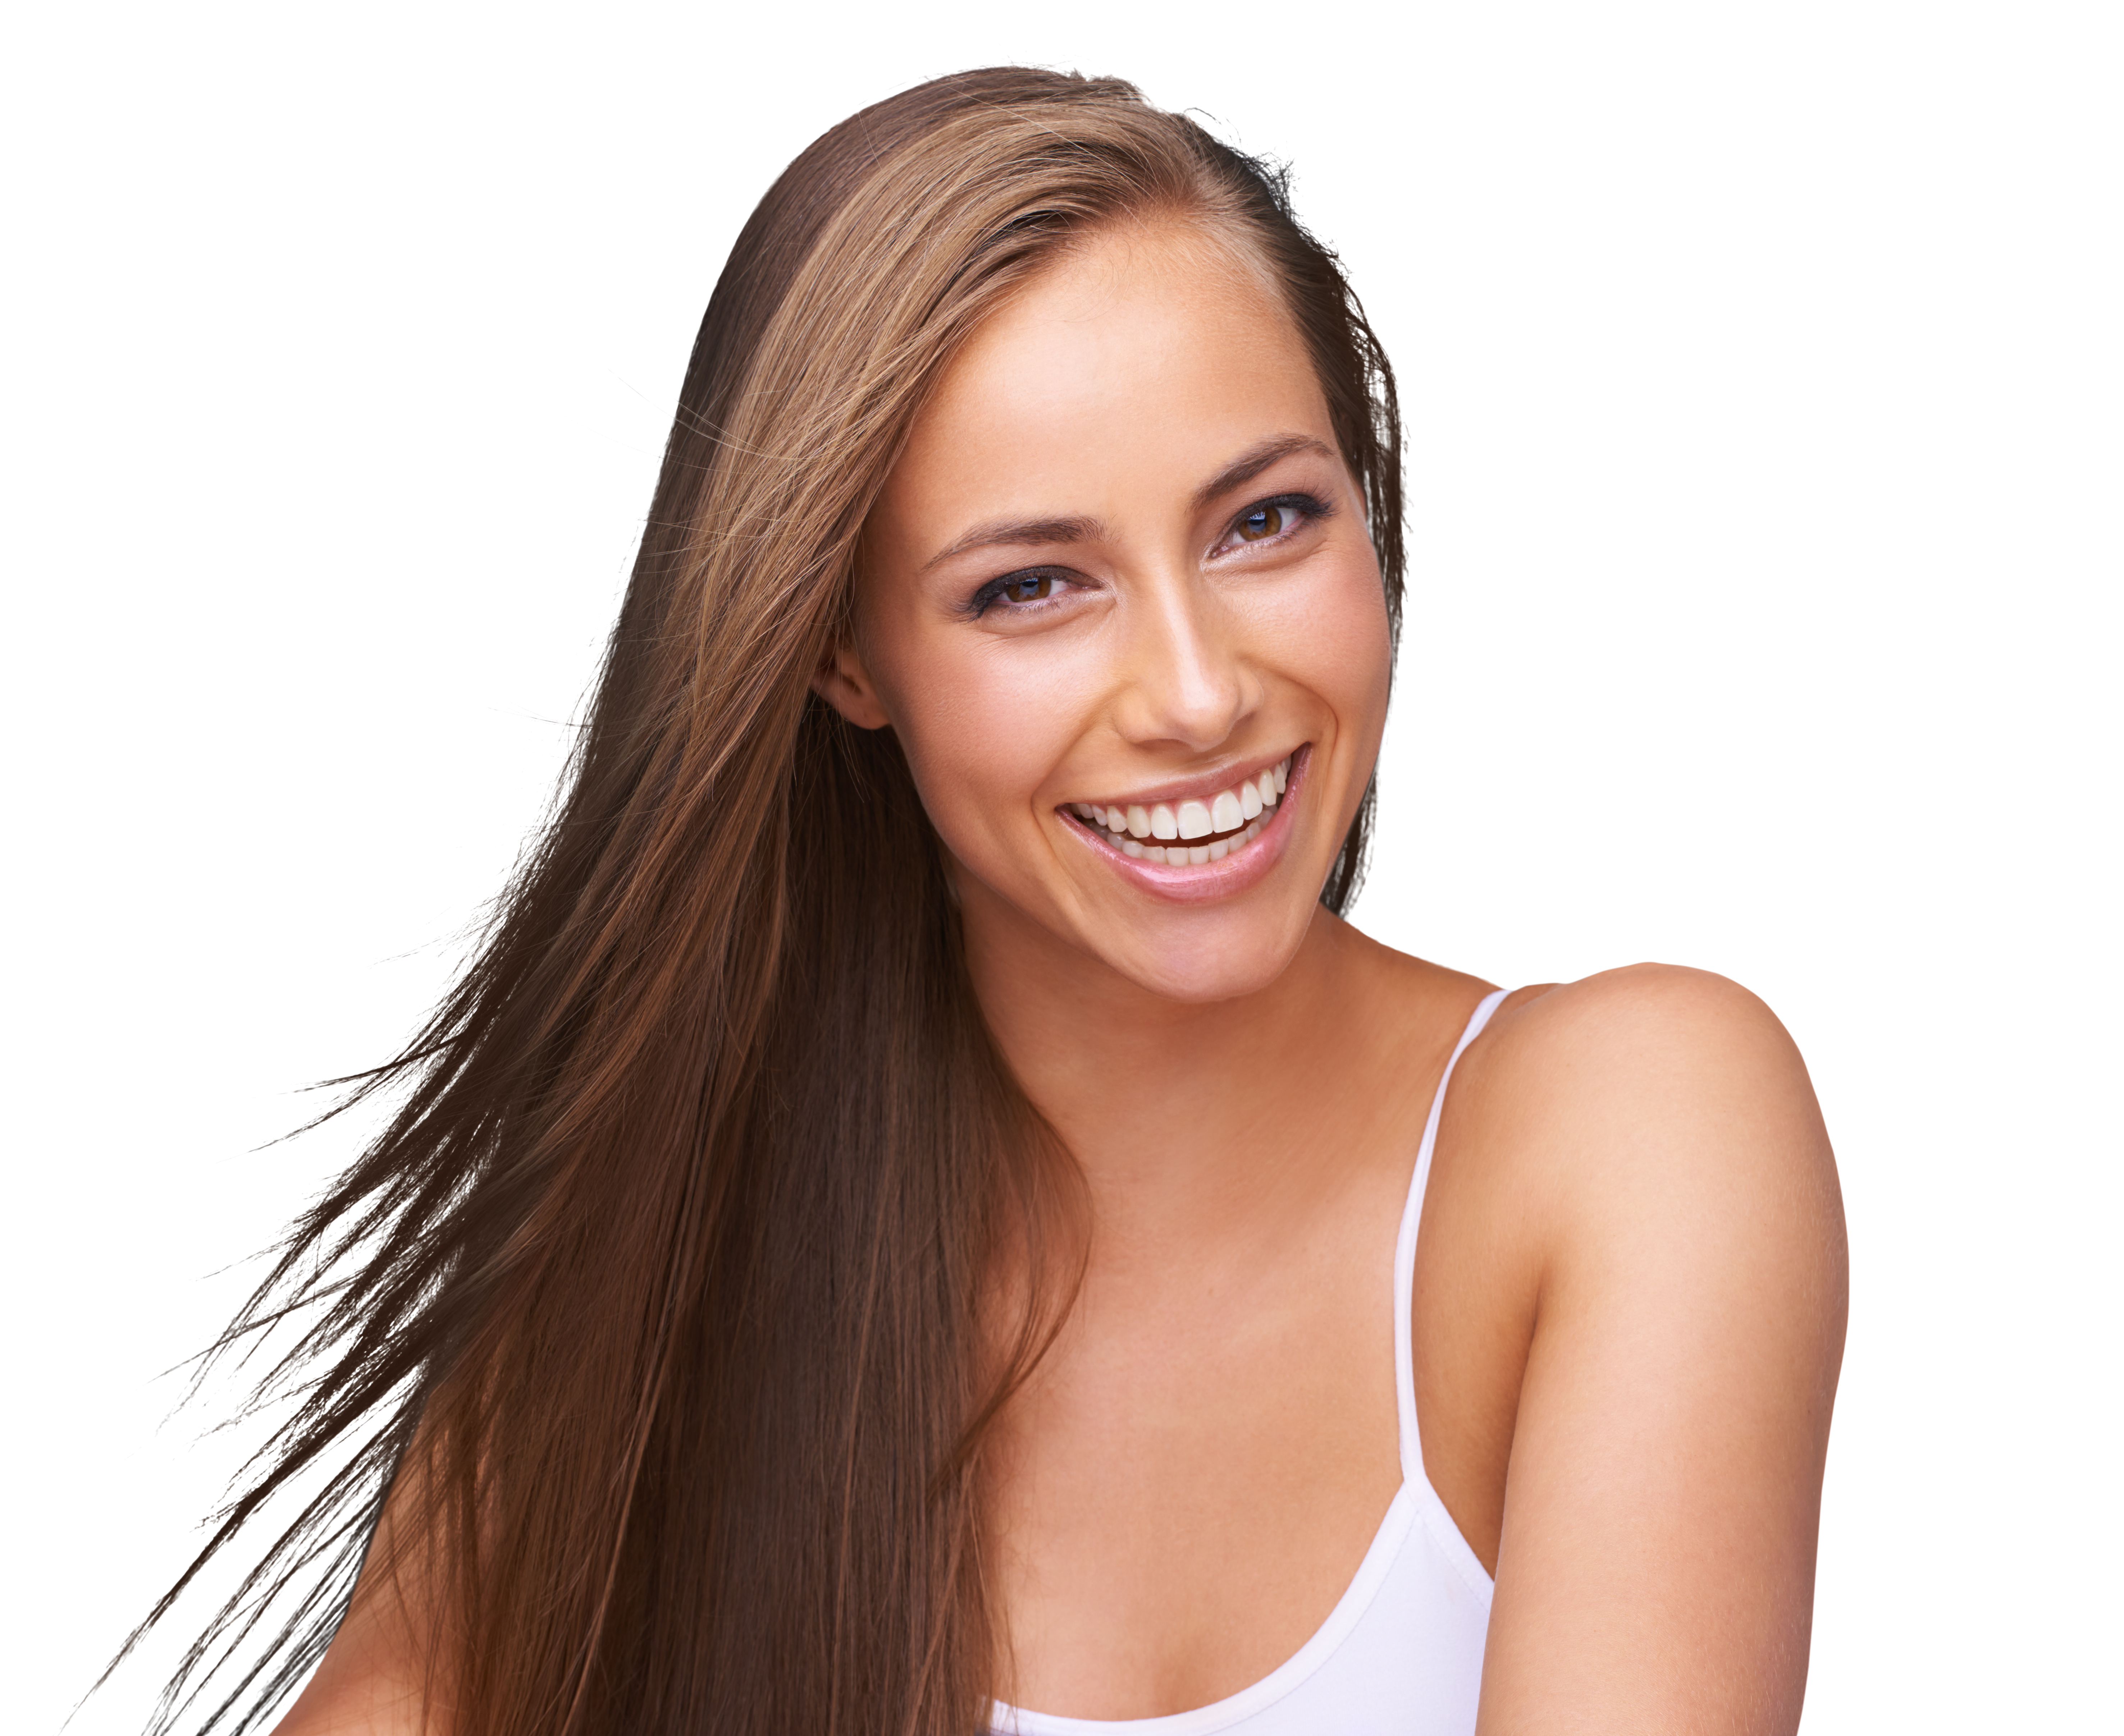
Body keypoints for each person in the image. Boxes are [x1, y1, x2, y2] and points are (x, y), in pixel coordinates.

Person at [89, 63, 1848, 1736]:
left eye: (1265, 523)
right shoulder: (660, 1235)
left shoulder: (1630, 1131)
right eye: (1030, 586)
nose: (1194, 688)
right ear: (847, 654)